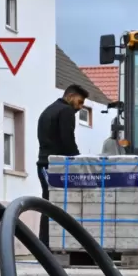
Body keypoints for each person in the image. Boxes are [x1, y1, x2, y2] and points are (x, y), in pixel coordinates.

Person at [36, 84, 89, 247]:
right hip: (54, 167)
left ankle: (45, 244)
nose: (80, 107)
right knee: (53, 205)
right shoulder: (66, 111)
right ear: (70, 96)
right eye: (79, 102)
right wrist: (79, 162)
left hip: (44, 163)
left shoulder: (48, 110)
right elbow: (68, 141)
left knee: (48, 203)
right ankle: (47, 244)